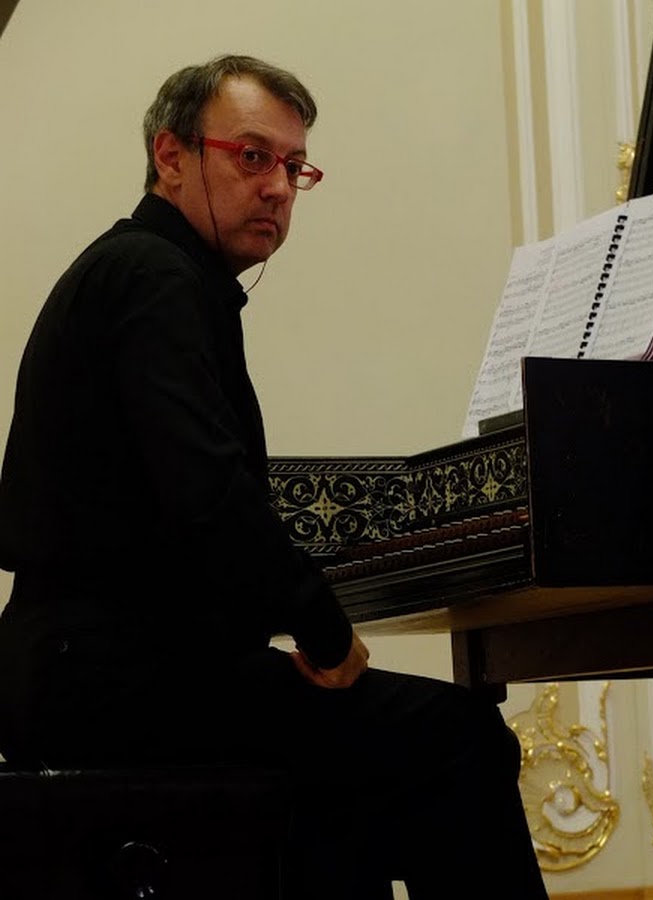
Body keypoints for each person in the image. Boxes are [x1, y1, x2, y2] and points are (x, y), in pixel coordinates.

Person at [0, 54, 549, 898]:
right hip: (110, 679)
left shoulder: (143, 272)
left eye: (295, 168)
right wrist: (323, 630)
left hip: (75, 668)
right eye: (253, 157)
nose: (279, 188)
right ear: (171, 156)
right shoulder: (154, 275)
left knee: (343, 799)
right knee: (460, 738)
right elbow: (209, 494)